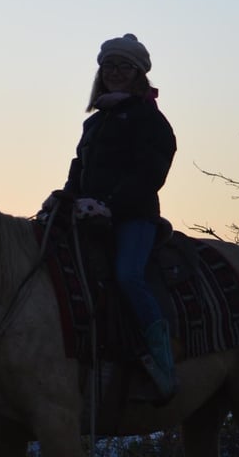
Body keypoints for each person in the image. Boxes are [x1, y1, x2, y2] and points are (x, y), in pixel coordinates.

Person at [54, 33, 179, 400]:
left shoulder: (149, 119)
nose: (115, 72)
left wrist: (109, 203)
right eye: (109, 65)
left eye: (125, 65)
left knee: (128, 275)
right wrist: (66, 197)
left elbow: (150, 173)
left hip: (133, 217)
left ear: (139, 72)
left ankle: (163, 361)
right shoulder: (95, 122)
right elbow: (80, 168)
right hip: (89, 215)